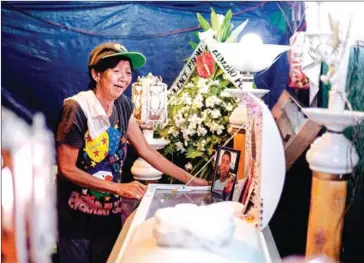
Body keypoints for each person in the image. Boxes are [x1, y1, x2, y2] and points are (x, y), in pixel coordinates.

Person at [56, 42, 208, 263]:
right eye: (116, 71)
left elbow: (146, 150)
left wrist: (191, 180)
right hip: (75, 218)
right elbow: (67, 168)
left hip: (108, 215)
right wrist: (118, 187)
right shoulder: (76, 109)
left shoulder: (123, 105)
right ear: (96, 74)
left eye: (127, 72)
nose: (124, 78)